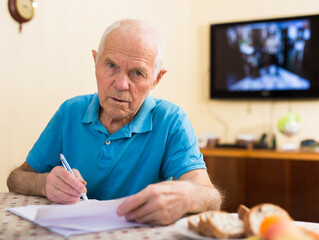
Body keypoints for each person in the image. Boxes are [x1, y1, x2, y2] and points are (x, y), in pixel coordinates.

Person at [7, 19, 222, 225]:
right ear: (95, 61)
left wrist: (187, 196)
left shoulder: (171, 120)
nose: (120, 84)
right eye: (111, 65)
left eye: (137, 73)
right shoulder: (69, 112)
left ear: (156, 79)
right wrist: (45, 184)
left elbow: (211, 197)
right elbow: (16, 178)